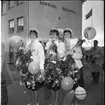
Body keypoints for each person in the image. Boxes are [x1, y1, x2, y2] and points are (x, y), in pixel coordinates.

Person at [45, 28, 66, 105]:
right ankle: (52, 101)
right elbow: (46, 55)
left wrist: (57, 49)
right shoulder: (48, 44)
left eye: (54, 34)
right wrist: (47, 55)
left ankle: (56, 101)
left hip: (57, 66)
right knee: (50, 83)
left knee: (56, 84)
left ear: (57, 36)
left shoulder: (61, 44)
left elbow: (62, 55)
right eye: (51, 34)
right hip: (49, 65)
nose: (52, 36)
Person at [25, 29, 45, 105]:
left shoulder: (38, 44)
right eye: (31, 34)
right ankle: (32, 101)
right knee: (29, 84)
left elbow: (42, 56)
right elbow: (25, 54)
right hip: (28, 67)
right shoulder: (28, 43)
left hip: (35, 67)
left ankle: (36, 102)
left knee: (35, 86)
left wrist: (41, 67)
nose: (32, 36)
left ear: (36, 36)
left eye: (34, 34)